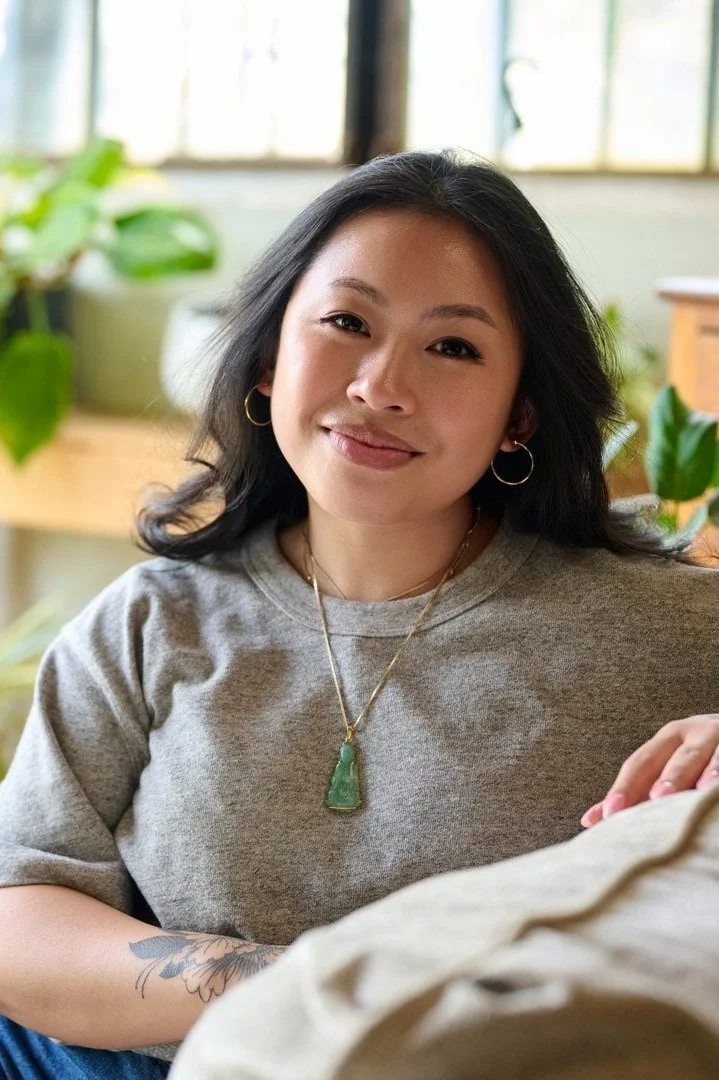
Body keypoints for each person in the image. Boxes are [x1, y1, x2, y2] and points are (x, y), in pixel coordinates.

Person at [0, 147, 717, 1077]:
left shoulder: (670, 627)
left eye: (452, 346)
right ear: (267, 360)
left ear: (520, 415)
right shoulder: (148, 623)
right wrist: (313, 983)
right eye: (346, 322)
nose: (381, 386)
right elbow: (20, 912)